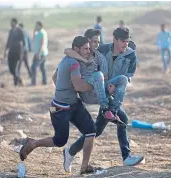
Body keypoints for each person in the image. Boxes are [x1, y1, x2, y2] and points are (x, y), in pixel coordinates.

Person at [63, 27, 144, 172]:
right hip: (100, 91)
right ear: (114, 39)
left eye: (127, 41)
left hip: (111, 94)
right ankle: (126, 156)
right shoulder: (103, 49)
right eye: (123, 41)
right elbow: (72, 51)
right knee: (119, 121)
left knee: (99, 129)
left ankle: (71, 151)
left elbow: (127, 77)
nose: (125, 44)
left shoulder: (131, 56)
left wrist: (115, 86)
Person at [18, 36, 99, 174]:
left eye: (88, 48)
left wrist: (65, 91)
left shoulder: (66, 60)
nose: (88, 51)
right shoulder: (73, 63)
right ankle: (33, 143)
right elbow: (79, 86)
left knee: (91, 131)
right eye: (85, 48)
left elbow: (54, 77)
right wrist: (96, 86)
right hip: (59, 109)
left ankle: (84, 167)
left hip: (74, 104)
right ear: (76, 49)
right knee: (60, 140)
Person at [64, 29, 128, 123]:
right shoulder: (78, 53)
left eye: (98, 42)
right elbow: (67, 51)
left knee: (123, 79)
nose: (97, 45)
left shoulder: (99, 57)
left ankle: (113, 110)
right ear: (88, 40)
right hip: (86, 93)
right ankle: (105, 109)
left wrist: (111, 86)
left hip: (98, 89)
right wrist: (84, 60)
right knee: (98, 75)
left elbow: (105, 77)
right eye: (94, 42)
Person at [4, 18, 25, 86]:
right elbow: (8, 41)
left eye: (12, 22)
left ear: (15, 23)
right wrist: (5, 51)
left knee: (15, 69)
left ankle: (15, 84)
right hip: (11, 52)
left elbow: (24, 42)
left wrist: (22, 52)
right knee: (11, 69)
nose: (11, 23)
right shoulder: (10, 31)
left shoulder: (20, 31)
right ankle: (20, 80)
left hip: (17, 53)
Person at [30, 21, 48, 86]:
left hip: (40, 53)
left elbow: (41, 43)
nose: (35, 27)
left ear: (40, 25)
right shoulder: (40, 32)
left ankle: (33, 82)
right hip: (41, 53)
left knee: (33, 67)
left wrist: (38, 53)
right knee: (42, 67)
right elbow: (34, 40)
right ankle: (44, 81)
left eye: (37, 25)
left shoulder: (41, 33)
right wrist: (34, 32)